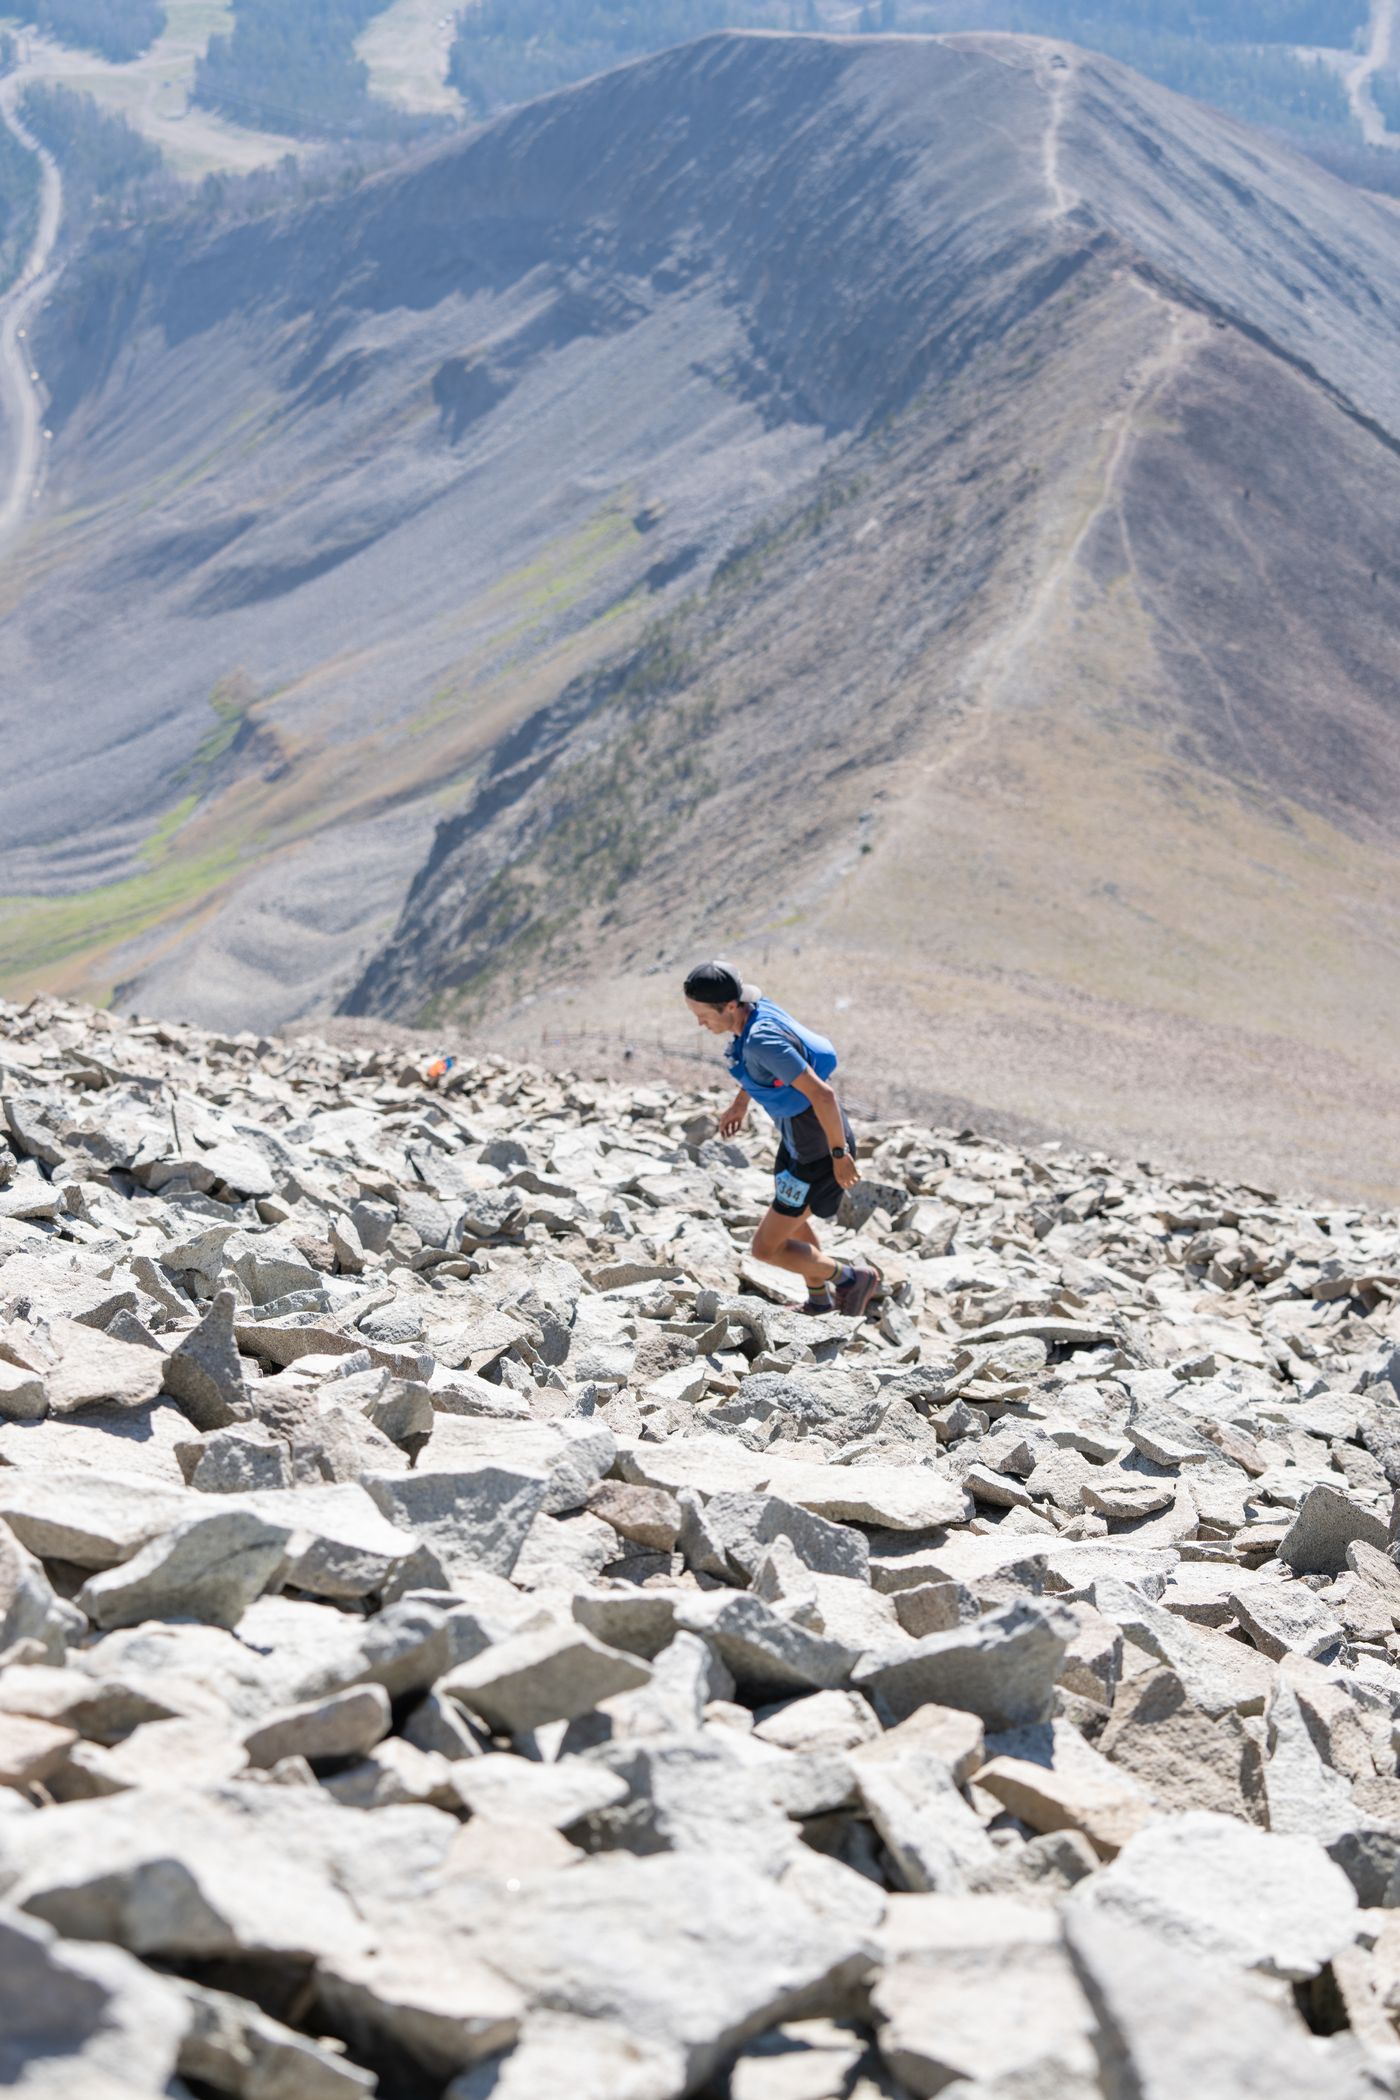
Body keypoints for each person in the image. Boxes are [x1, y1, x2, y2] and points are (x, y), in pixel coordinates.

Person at [684, 961, 881, 1318]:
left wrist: (840, 1154)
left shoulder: (763, 1040)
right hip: (798, 1143)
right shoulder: (753, 1012)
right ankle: (819, 1299)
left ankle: (852, 1277)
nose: (700, 1023)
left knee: (765, 1248)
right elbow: (765, 1069)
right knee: (795, 1222)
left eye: (702, 1015)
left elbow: (824, 1096)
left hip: (817, 1152)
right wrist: (740, 1103)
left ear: (729, 1006)